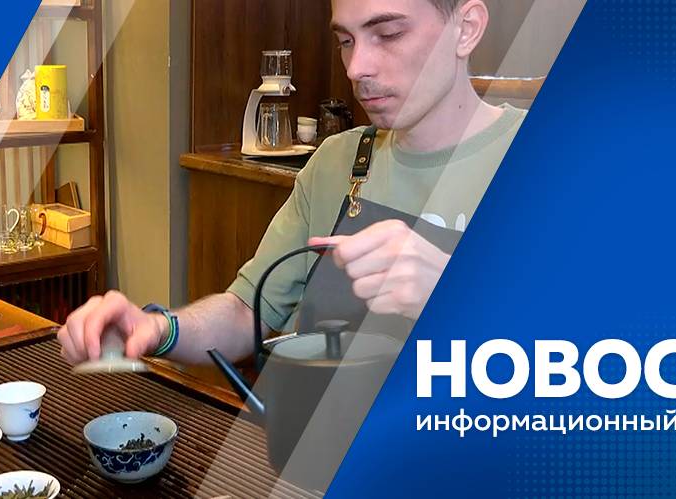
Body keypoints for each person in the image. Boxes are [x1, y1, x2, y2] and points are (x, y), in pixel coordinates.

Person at [58, 0, 527, 366]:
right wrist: (158, 329)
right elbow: (246, 311)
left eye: (388, 34)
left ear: (466, 28)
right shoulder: (338, 162)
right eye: (346, 40)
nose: (356, 67)